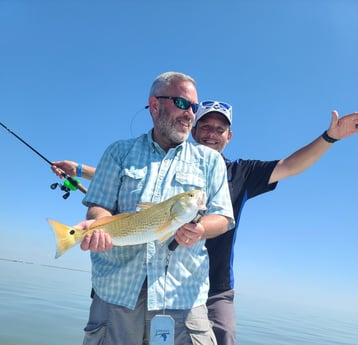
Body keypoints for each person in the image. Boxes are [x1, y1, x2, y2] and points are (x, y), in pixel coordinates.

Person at [52, 102, 358, 345]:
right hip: (154, 281)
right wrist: (80, 170)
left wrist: (330, 137)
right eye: (206, 126)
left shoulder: (240, 172)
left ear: (230, 136)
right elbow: (134, 183)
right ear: (192, 129)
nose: (212, 133)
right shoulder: (169, 161)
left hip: (212, 288)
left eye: (220, 128)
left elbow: (291, 166)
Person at [60, 72, 234, 345]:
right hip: (116, 294)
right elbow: (99, 207)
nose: (190, 114)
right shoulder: (119, 152)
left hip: (182, 296)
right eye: (181, 102)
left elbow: (223, 217)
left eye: (194, 107)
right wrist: (96, 227)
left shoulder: (210, 161)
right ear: (154, 105)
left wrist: (200, 229)